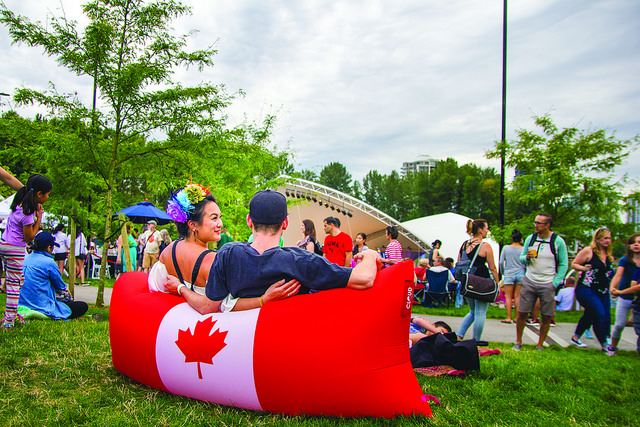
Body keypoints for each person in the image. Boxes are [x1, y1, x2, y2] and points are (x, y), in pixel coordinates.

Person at [166, 190, 382, 314]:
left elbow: (208, 308)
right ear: (285, 223)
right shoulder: (301, 260)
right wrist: (371, 255)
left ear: (249, 221)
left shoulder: (227, 254)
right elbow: (364, 279)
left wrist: (180, 289)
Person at [0, 174, 52, 330]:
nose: (48, 197)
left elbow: (9, 179)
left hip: (4, 243)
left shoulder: (20, 200)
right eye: (47, 194)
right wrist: (39, 218)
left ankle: (14, 313)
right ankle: (9, 321)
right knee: (14, 286)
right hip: (15, 248)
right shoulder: (29, 212)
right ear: (39, 194)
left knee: (19, 280)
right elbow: (29, 237)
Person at [513, 213, 568, 351]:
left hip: (548, 282)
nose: (536, 225)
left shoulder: (558, 241)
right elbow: (521, 258)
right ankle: (518, 342)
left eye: (539, 223)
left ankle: (540, 344)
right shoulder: (531, 239)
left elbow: (564, 263)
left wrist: (555, 283)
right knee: (522, 313)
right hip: (530, 280)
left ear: (547, 225)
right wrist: (526, 257)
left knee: (546, 315)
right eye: (535, 222)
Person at [19, 231, 88, 320]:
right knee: (82, 306)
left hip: (22, 302)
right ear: (48, 248)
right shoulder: (49, 262)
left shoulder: (25, 259)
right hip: (41, 304)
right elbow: (60, 286)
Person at [570, 228, 615, 352]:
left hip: (603, 290)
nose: (608, 241)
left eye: (609, 238)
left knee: (594, 314)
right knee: (599, 313)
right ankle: (605, 344)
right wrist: (583, 268)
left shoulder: (608, 253)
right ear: (598, 239)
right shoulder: (588, 251)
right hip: (586, 289)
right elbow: (574, 264)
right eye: (605, 238)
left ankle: (576, 337)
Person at [456, 219, 499, 342]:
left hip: (468, 282)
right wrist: (497, 283)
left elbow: (459, 262)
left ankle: (459, 335)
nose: (487, 231)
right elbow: (493, 267)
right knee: (480, 313)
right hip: (481, 282)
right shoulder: (485, 246)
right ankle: (476, 340)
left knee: (473, 311)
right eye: (486, 228)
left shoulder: (464, 245)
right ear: (480, 230)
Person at [608, 233, 640, 356]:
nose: (636, 245)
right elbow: (618, 275)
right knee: (619, 325)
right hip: (625, 296)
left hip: (638, 298)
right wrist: (613, 288)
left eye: (639, 242)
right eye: (633, 242)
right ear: (629, 246)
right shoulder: (625, 260)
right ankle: (613, 347)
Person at [499, 229, 526, 324]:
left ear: (512, 238)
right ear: (521, 239)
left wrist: (503, 272)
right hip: (521, 274)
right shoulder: (523, 249)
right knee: (518, 296)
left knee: (508, 296)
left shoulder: (506, 248)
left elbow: (501, 262)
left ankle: (508, 317)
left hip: (509, 273)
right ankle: (517, 318)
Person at [612, 267, 640, 355]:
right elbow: (634, 286)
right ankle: (613, 347)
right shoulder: (638, 272)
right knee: (619, 325)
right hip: (632, 301)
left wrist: (621, 292)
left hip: (632, 300)